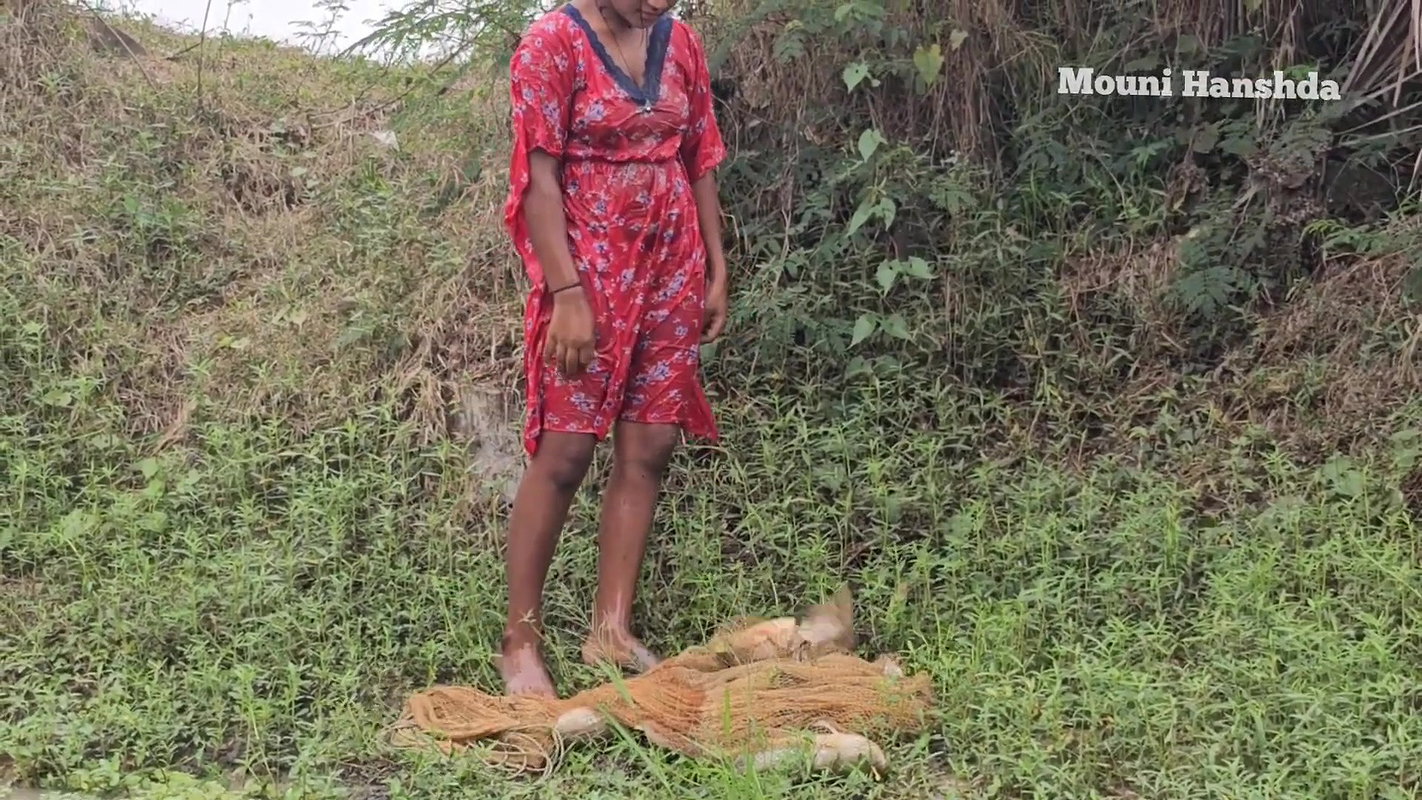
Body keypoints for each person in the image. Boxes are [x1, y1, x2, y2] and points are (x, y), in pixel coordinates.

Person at [496, 0, 729, 696]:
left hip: (670, 264)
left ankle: (611, 630)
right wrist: (565, 293)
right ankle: (520, 641)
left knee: (650, 444)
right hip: (590, 275)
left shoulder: (680, 41)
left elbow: (700, 158)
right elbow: (536, 180)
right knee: (565, 452)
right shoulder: (552, 43)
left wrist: (716, 267)